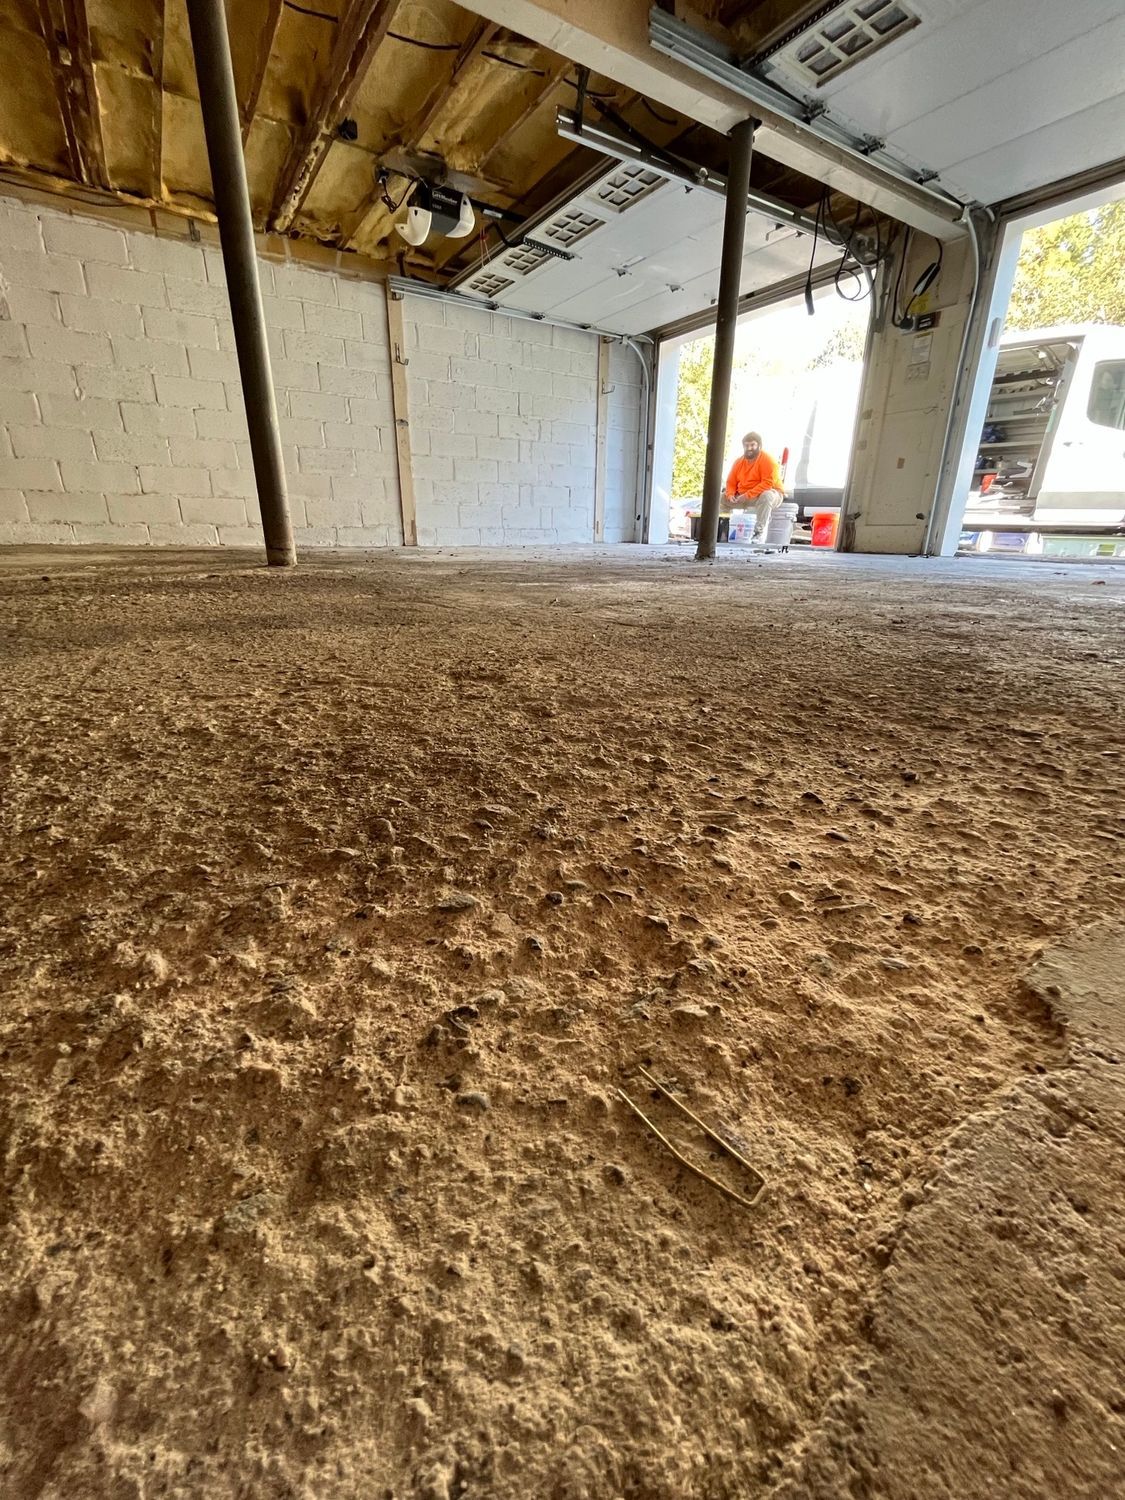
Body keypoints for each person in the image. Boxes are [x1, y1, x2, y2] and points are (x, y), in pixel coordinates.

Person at [724, 432, 784, 543]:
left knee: (767, 495)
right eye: (746, 445)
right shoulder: (738, 462)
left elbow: (767, 483)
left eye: (752, 445)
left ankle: (758, 533)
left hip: (769, 494)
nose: (749, 448)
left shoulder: (767, 460)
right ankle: (722, 530)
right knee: (721, 498)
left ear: (759, 446)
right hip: (744, 496)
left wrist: (747, 495)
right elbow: (730, 482)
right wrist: (730, 494)